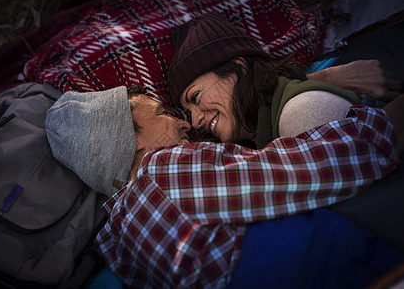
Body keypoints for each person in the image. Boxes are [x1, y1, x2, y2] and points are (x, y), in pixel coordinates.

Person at [45, 85, 403, 288]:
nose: (184, 125)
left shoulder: (115, 241)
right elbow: (315, 166)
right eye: (161, 113)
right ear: (131, 142)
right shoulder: (163, 171)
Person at [167, 12, 401, 148]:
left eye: (195, 97)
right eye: (188, 112)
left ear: (239, 67)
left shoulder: (301, 116)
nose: (195, 121)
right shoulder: (271, 125)